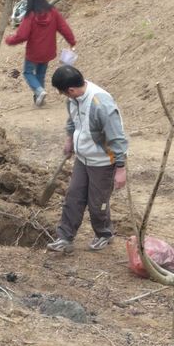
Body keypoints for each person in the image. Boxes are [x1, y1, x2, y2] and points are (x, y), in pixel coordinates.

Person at [47, 65, 128, 254]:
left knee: (97, 203)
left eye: (64, 94)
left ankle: (103, 234)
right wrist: (70, 139)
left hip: (103, 162)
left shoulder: (101, 105)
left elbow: (117, 138)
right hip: (83, 159)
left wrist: (121, 168)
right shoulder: (74, 100)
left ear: (71, 90)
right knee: (73, 197)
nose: (65, 97)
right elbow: (72, 120)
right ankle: (65, 237)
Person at [5, 0, 76, 106]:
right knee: (40, 74)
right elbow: (64, 27)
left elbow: (22, 35)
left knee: (28, 72)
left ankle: (39, 91)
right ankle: (39, 99)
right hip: (48, 51)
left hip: (34, 52)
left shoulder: (30, 16)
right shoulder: (53, 12)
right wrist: (72, 41)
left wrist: (9, 40)